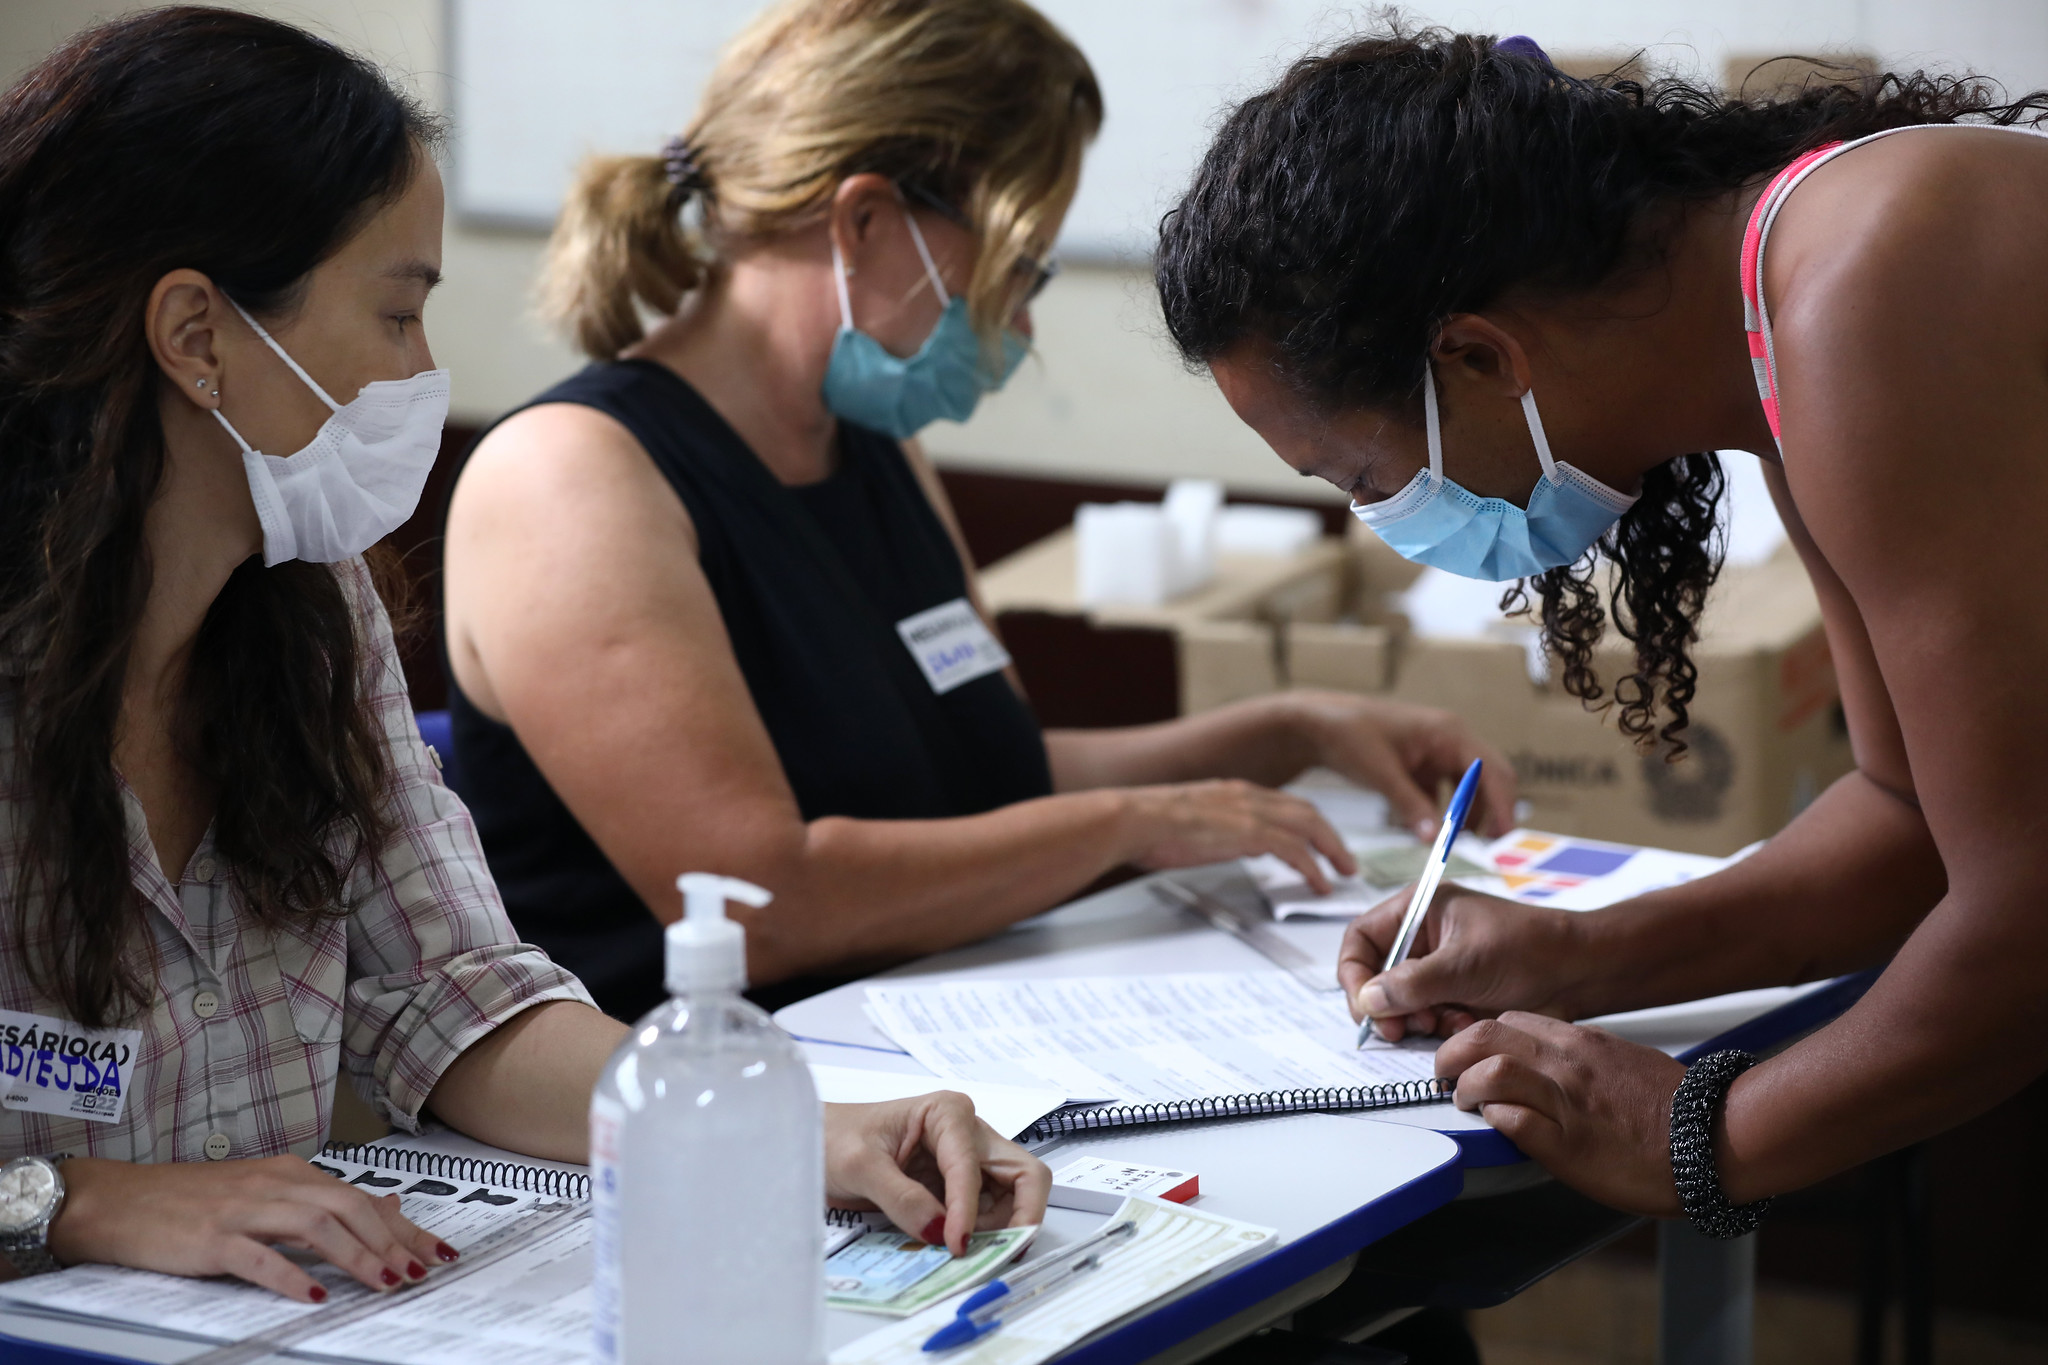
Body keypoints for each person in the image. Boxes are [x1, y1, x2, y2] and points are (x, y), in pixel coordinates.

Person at [0, 7, 1045, 1302]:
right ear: (198, 336)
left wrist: (793, 1127)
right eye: (396, 316)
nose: (422, 373)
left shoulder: (310, 613)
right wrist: (70, 1198)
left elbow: (458, 999)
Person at [441, 0, 1516, 1023]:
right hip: (697, 1112)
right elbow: (761, 901)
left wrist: (1288, 730)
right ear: (864, 221)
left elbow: (979, 779)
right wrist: (1134, 825)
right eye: (1016, 269)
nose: (1021, 323)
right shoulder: (569, 477)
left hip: (920, 1046)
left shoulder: (870, 446)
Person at [1155, 25, 2048, 1230]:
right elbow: (1913, 820)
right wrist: (1579, 957)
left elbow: (2025, 909)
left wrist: (1701, 1134)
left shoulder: (1868, 283)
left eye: (1362, 476)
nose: (1383, 516)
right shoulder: (1778, 325)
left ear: (1475, 354)